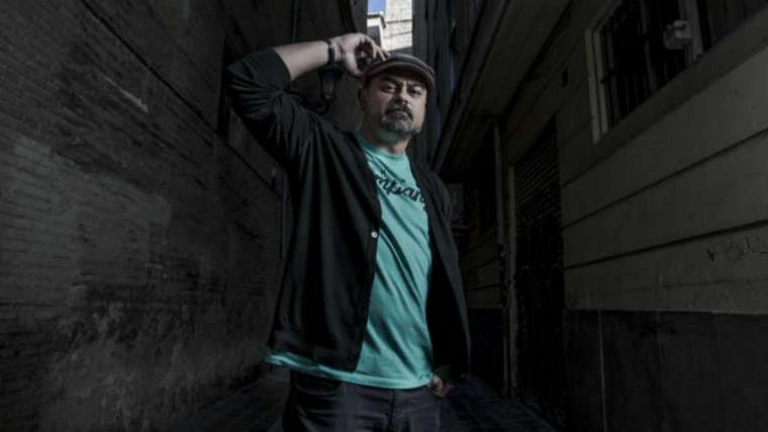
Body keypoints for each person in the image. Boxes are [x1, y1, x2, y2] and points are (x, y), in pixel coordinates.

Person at [225, 33, 470, 431]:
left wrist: (447, 358)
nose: (402, 97)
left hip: (419, 392)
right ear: (362, 97)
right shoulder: (323, 149)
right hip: (337, 390)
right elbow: (247, 81)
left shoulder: (433, 188)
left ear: (424, 110)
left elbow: (441, 274)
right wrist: (334, 50)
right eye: (388, 87)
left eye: (415, 92)